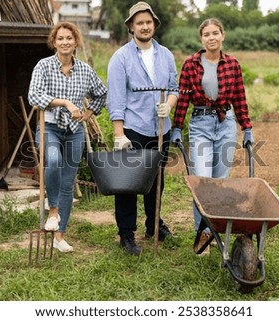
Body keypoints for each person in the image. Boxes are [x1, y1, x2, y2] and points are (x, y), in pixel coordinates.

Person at [171, 18, 254, 255]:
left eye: (215, 33)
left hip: (226, 123)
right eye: (206, 34)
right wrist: (177, 127)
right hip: (200, 124)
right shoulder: (190, 64)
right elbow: (184, 97)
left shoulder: (233, 64)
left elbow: (239, 97)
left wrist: (246, 127)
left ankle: (217, 232)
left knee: (220, 182)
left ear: (222, 36)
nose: (211, 37)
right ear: (201, 39)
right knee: (202, 181)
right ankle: (203, 233)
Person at [107, 1, 179, 255]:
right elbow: (116, 97)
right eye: (140, 23)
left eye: (148, 22)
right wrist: (119, 134)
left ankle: (154, 224)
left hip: (161, 128)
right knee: (129, 184)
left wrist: (168, 105)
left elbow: (174, 88)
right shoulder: (121, 58)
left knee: (156, 181)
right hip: (134, 128)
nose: (145, 26)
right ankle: (126, 234)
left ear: (154, 25)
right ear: (131, 27)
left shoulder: (166, 55)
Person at [28, 22, 107, 252]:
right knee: (52, 162)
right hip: (49, 127)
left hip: (74, 131)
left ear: (75, 42)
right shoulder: (44, 66)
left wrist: (89, 112)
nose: (65, 42)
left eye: (69, 38)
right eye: (60, 38)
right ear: (54, 42)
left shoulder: (84, 70)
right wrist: (64, 102)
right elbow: (34, 95)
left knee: (67, 182)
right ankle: (53, 211)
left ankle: (60, 237)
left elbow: (101, 94)